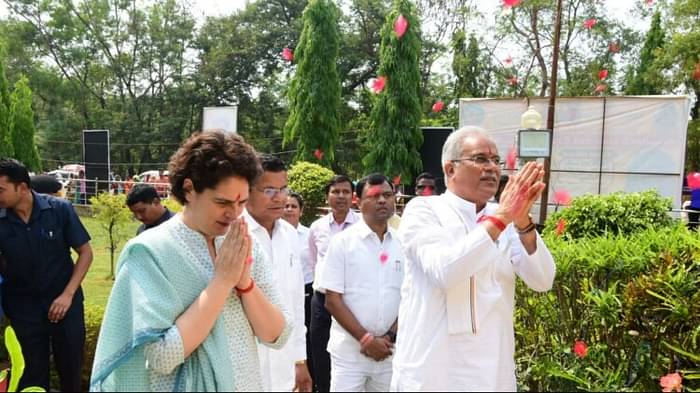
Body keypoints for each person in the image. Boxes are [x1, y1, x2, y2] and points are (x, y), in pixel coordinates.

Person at [91, 131, 290, 391]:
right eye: (222, 202)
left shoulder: (241, 241)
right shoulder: (150, 252)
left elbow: (277, 335)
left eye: (241, 201)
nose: (234, 213)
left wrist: (245, 285)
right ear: (188, 189)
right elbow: (162, 356)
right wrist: (222, 282)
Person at [391, 127, 556, 391]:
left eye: (495, 160)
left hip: (492, 369)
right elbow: (445, 271)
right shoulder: (423, 210)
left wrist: (523, 222)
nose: (492, 168)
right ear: (450, 169)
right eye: (480, 159)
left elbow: (543, 280)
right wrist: (502, 218)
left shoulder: (505, 217)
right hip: (433, 370)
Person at [0, 158, 94, 392]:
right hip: (23, 307)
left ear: (22, 187)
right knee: (33, 371)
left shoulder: (59, 210)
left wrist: (67, 295)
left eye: (1, 189)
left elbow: (85, 253)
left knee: (71, 368)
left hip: (64, 302)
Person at [321, 174, 404, 392]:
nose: (382, 201)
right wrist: (366, 339)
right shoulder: (342, 243)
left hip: (390, 352)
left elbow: (410, 297)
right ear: (358, 201)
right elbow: (332, 300)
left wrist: (389, 337)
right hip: (350, 354)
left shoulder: (403, 244)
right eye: (375, 196)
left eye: (387, 195)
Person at [243, 154, 312, 392]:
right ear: (247, 190)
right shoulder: (232, 233)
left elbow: (295, 303)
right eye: (269, 190)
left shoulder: (290, 235)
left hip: (284, 360)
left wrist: (300, 359)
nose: (280, 198)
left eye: (283, 189)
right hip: (245, 361)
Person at [308, 175, 359, 392]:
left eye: (345, 192)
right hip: (321, 300)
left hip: (350, 301)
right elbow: (314, 260)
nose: (340, 196)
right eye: (335, 192)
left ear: (353, 197)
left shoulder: (361, 226)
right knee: (319, 351)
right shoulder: (317, 227)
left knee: (350, 351)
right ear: (327, 196)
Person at [283, 191, 315, 383]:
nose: (289, 209)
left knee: (307, 338)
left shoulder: (309, 234)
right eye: (286, 206)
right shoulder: (274, 234)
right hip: (284, 294)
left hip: (307, 293)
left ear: (301, 211)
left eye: (293, 206)